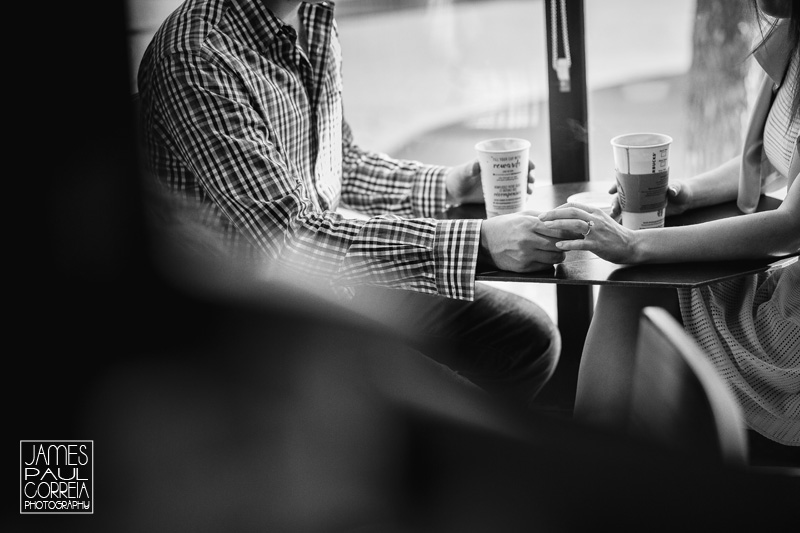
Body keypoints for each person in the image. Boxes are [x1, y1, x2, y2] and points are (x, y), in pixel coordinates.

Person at [136, 0, 569, 409]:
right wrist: (481, 243)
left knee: (530, 340)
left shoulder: (314, 18)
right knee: (454, 409)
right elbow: (287, 239)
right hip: (255, 320)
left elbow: (337, 161)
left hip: (328, 283)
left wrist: (449, 184)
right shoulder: (195, 56)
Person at [539, 0, 800, 458]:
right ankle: (594, 473)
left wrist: (635, 245)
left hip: (792, 316)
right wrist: (684, 192)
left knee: (638, 278)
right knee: (632, 286)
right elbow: (773, 163)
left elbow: (789, 227)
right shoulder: (791, 39)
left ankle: (597, 476)